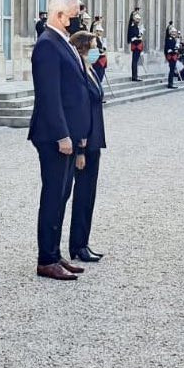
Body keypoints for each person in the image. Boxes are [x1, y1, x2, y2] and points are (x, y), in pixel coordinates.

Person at [28, 0, 92, 281]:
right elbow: (49, 96)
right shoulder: (47, 45)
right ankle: (46, 259)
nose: (79, 19)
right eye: (76, 14)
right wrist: (63, 135)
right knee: (53, 196)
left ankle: (54, 252)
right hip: (54, 137)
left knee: (63, 195)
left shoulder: (60, 42)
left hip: (67, 135)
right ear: (60, 15)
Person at [68, 31, 107, 263]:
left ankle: (83, 242)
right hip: (84, 142)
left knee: (89, 195)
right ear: (83, 48)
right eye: (94, 46)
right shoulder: (79, 73)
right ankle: (78, 246)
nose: (97, 49)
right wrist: (80, 149)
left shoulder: (90, 69)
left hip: (95, 139)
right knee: (82, 195)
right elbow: (79, 110)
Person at [127, 8, 143, 81]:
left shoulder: (136, 26)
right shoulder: (132, 26)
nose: (138, 20)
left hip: (138, 45)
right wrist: (138, 38)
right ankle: (134, 76)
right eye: (137, 19)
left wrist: (140, 34)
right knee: (134, 61)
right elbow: (132, 37)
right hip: (136, 45)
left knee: (135, 61)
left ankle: (135, 75)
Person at [164, 23, 179, 89]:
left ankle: (171, 83)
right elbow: (168, 49)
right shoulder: (169, 39)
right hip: (171, 56)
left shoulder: (173, 39)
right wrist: (174, 50)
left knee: (172, 70)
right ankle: (170, 83)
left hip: (173, 55)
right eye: (173, 32)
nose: (174, 33)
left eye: (174, 32)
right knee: (171, 70)